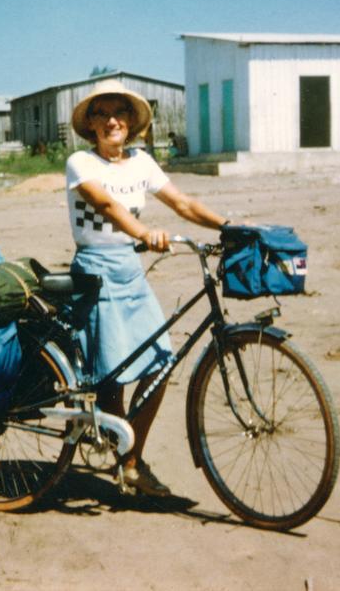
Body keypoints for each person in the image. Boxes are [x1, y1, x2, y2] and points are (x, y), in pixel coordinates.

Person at [65, 79, 228, 496]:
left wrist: (229, 227)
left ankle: (130, 457)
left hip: (130, 272)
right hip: (95, 270)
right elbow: (105, 204)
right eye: (101, 113)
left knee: (160, 361)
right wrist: (145, 231)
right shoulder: (81, 163)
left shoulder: (142, 162)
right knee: (113, 372)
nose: (111, 120)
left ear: (131, 122)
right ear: (91, 125)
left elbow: (182, 203)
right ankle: (128, 463)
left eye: (119, 112)